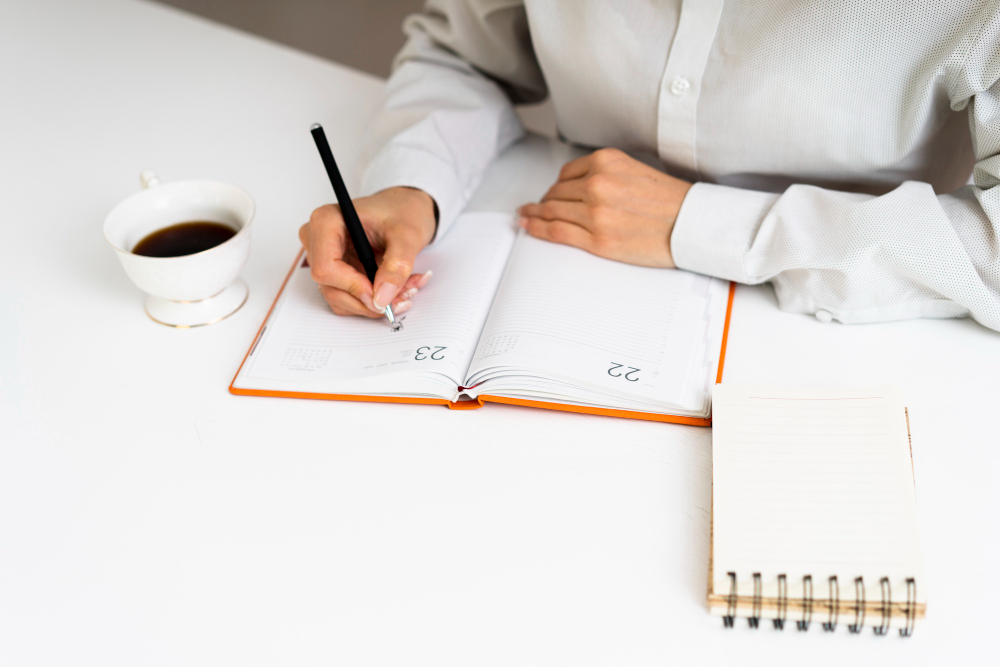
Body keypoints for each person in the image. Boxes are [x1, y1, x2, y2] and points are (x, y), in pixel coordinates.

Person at [299, 0, 1000, 331]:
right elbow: (464, 52)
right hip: (560, 279)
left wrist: (704, 224)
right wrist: (411, 183)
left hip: (855, 333)